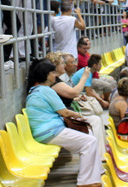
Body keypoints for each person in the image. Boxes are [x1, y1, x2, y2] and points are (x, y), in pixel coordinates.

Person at [25, 59, 102, 187]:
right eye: (53, 72)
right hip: (50, 132)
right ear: (46, 74)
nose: (56, 75)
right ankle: (86, 181)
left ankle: (96, 173)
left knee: (89, 136)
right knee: (90, 141)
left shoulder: (35, 90)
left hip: (46, 131)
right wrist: (80, 116)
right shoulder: (46, 91)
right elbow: (65, 113)